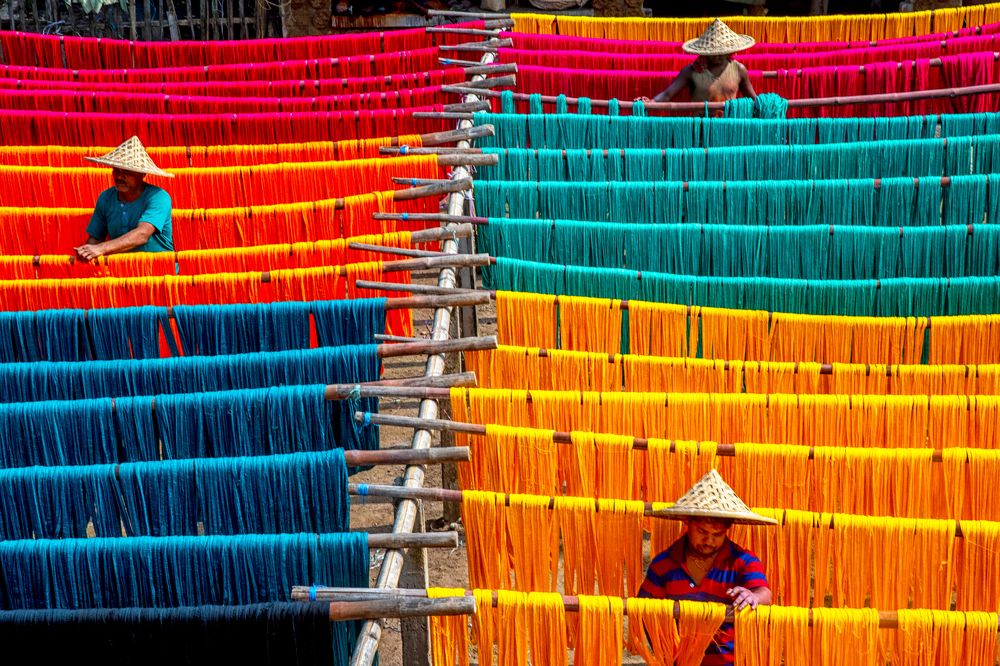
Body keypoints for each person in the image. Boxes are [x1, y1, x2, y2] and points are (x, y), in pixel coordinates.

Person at [639, 469, 775, 665]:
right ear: (687, 522)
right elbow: (645, 610)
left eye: (717, 534)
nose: (709, 540)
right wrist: (665, 652)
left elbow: (764, 592)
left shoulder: (743, 560)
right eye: (702, 531)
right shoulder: (664, 564)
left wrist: (753, 597)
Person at [75, 136, 175, 261]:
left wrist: (100, 248)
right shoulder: (106, 198)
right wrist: (86, 252)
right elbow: (95, 238)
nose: (119, 177)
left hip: (158, 273)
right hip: (120, 274)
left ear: (142, 174)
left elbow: (142, 234)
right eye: (116, 171)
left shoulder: (158, 197)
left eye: (126, 172)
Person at [638, 19, 758, 111]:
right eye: (713, 53)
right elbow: (667, 95)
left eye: (722, 52)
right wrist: (650, 102)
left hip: (730, 128)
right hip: (700, 128)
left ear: (730, 51)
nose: (717, 56)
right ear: (704, 53)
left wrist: (767, 106)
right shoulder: (691, 71)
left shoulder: (739, 70)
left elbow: (753, 99)